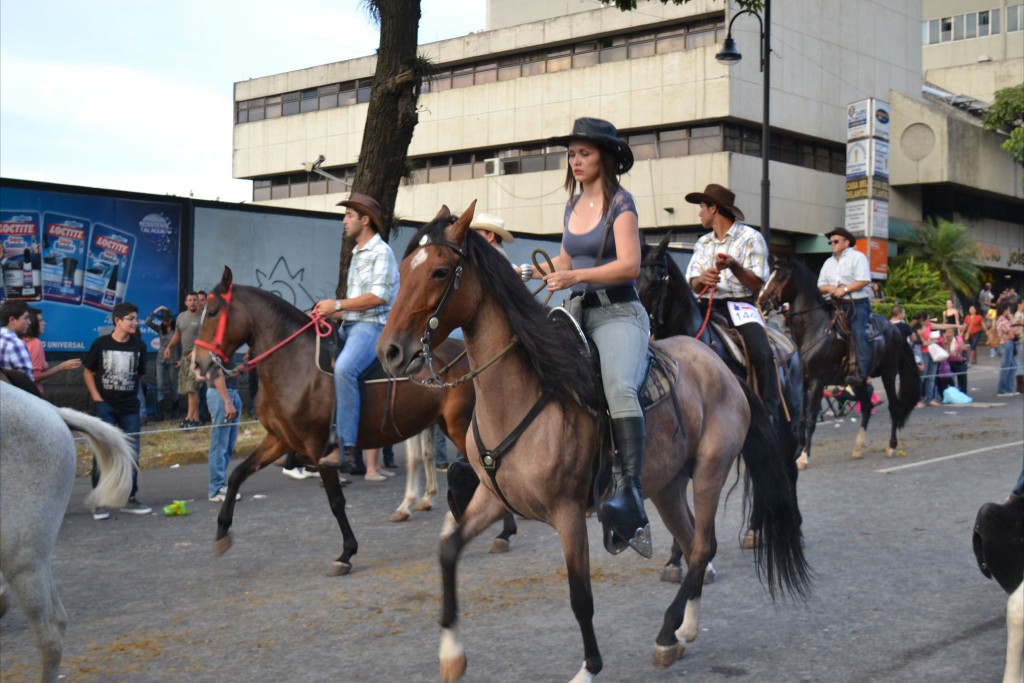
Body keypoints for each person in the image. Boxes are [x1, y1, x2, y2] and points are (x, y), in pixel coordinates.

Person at [533, 117, 651, 556]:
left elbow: (629, 266)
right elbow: (565, 256)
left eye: (584, 153)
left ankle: (631, 494)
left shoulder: (622, 203)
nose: (576, 160)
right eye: (572, 154)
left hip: (618, 311)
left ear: (604, 156)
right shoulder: (572, 205)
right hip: (577, 311)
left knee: (619, 388)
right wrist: (533, 272)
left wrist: (573, 275)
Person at [314, 193, 399, 481]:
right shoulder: (357, 253)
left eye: (349, 215)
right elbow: (352, 306)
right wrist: (326, 312)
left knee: (344, 368)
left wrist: (337, 305)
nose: (344, 221)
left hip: (372, 327)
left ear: (365, 220)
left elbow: (378, 296)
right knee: (313, 366)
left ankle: (347, 448)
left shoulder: (381, 252)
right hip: (350, 326)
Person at [684, 183, 782, 424]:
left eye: (702, 208)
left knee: (761, 349)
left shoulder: (751, 238)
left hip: (740, 305)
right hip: (705, 303)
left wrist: (734, 266)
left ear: (713, 208)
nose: (699, 213)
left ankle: (770, 409)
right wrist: (701, 280)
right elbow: (692, 282)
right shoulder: (702, 243)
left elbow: (757, 285)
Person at [82, 302, 152, 518]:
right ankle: (99, 501)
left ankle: (129, 497)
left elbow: (140, 375)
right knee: (103, 452)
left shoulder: (139, 346)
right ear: (117, 321)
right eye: (131, 318)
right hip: (105, 407)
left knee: (131, 453)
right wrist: (96, 397)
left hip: (130, 407)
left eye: (136, 318)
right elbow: (88, 371)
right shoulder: (101, 343)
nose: (135, 322)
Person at [817, 226, 872, 384]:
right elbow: (820, 286)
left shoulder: (858, 257)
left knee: (858, 333)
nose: (832, 244)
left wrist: (844, 289)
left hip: (856, 304)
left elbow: (864, 280)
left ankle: (863, 372)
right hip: (834, 304)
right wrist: (830, 289)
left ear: (846, 242)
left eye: (835, 241)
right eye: (830, 242)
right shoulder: (828, 262)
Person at [164, 292, 202, 429]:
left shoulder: (203, 317)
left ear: (198, 302)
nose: (192, 302)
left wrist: (196, 350)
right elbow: (177, 334)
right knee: (189, 390)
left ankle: (189, 419)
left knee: (192, 389)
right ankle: (196, 420)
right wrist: (169, 346)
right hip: (185, 357)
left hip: (198, 357)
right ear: (186, 302)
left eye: (195, 300)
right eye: (190, 300)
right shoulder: (181, 316)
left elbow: (206, 337)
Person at [205, 367, 243, 502]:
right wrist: (227, 400)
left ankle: (220, 484)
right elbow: (215, 371)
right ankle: (216, 488)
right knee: (219, 445)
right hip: (221, 394)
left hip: (231, 392)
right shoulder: (214, 347)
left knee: (228, 446)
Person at [23, 306, 81, 394]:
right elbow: (34, 377)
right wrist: (61, 367)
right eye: (40, 321)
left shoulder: (19, 340)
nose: (44, 323)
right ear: (32, 323)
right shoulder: (35, 343)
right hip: (31, 395)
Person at [146, 305, 179, 420]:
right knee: (160, 385)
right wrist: (157, 310)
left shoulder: (177, 329)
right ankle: (161, 413)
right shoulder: (160, 328)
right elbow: (148, 322)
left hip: (173, 359)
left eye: (167, 320)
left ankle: (175, 411)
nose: (165, 322)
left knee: (173, 386)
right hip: (160, 359)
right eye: (164, 320)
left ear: (171, 319)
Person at [0, 298, 35, 383]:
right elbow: (27, 382)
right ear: (12, 320)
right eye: (26, 318)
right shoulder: (15, 344)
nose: (29, 322)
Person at [995, 303, 1018, 396]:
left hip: (1008, 343)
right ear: (1004, 310)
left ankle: (1009, 388)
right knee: (1006, 367)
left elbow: (1013, 329)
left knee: (1013, 366)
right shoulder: (1002, 320)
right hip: (1006, 344)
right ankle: (1002, 389)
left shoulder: (1003, 320)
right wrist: (1013, 330)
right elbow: (1012, 333)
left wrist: (1012, 329)